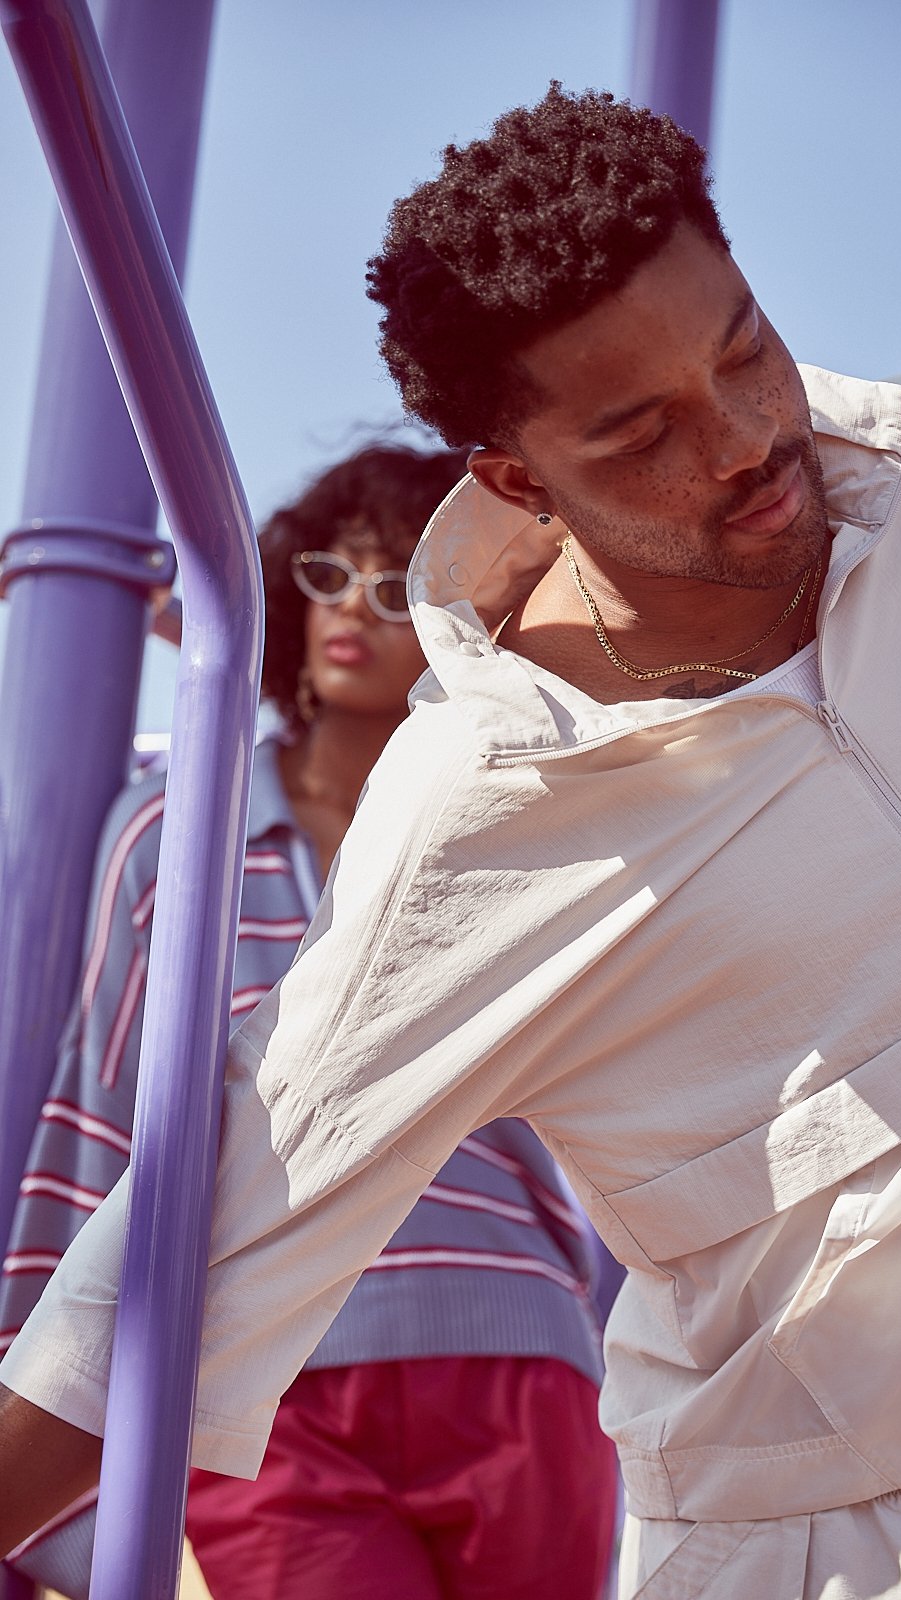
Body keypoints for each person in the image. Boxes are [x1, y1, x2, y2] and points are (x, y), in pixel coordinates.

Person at [2, 83, 901, 1598]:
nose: (747, 438)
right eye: (639, 433)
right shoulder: (480, 818)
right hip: (857, 1538)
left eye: (742, 347)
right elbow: (178, 1260)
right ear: (517, 480)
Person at [0, 442, 617, 1600]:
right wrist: (47, 1374)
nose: (351, 610)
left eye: (395, 587)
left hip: (518, 1333)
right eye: (328, 575)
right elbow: (108, 1095)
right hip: (257, 1369)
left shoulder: (519, 832)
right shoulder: (174, 825)